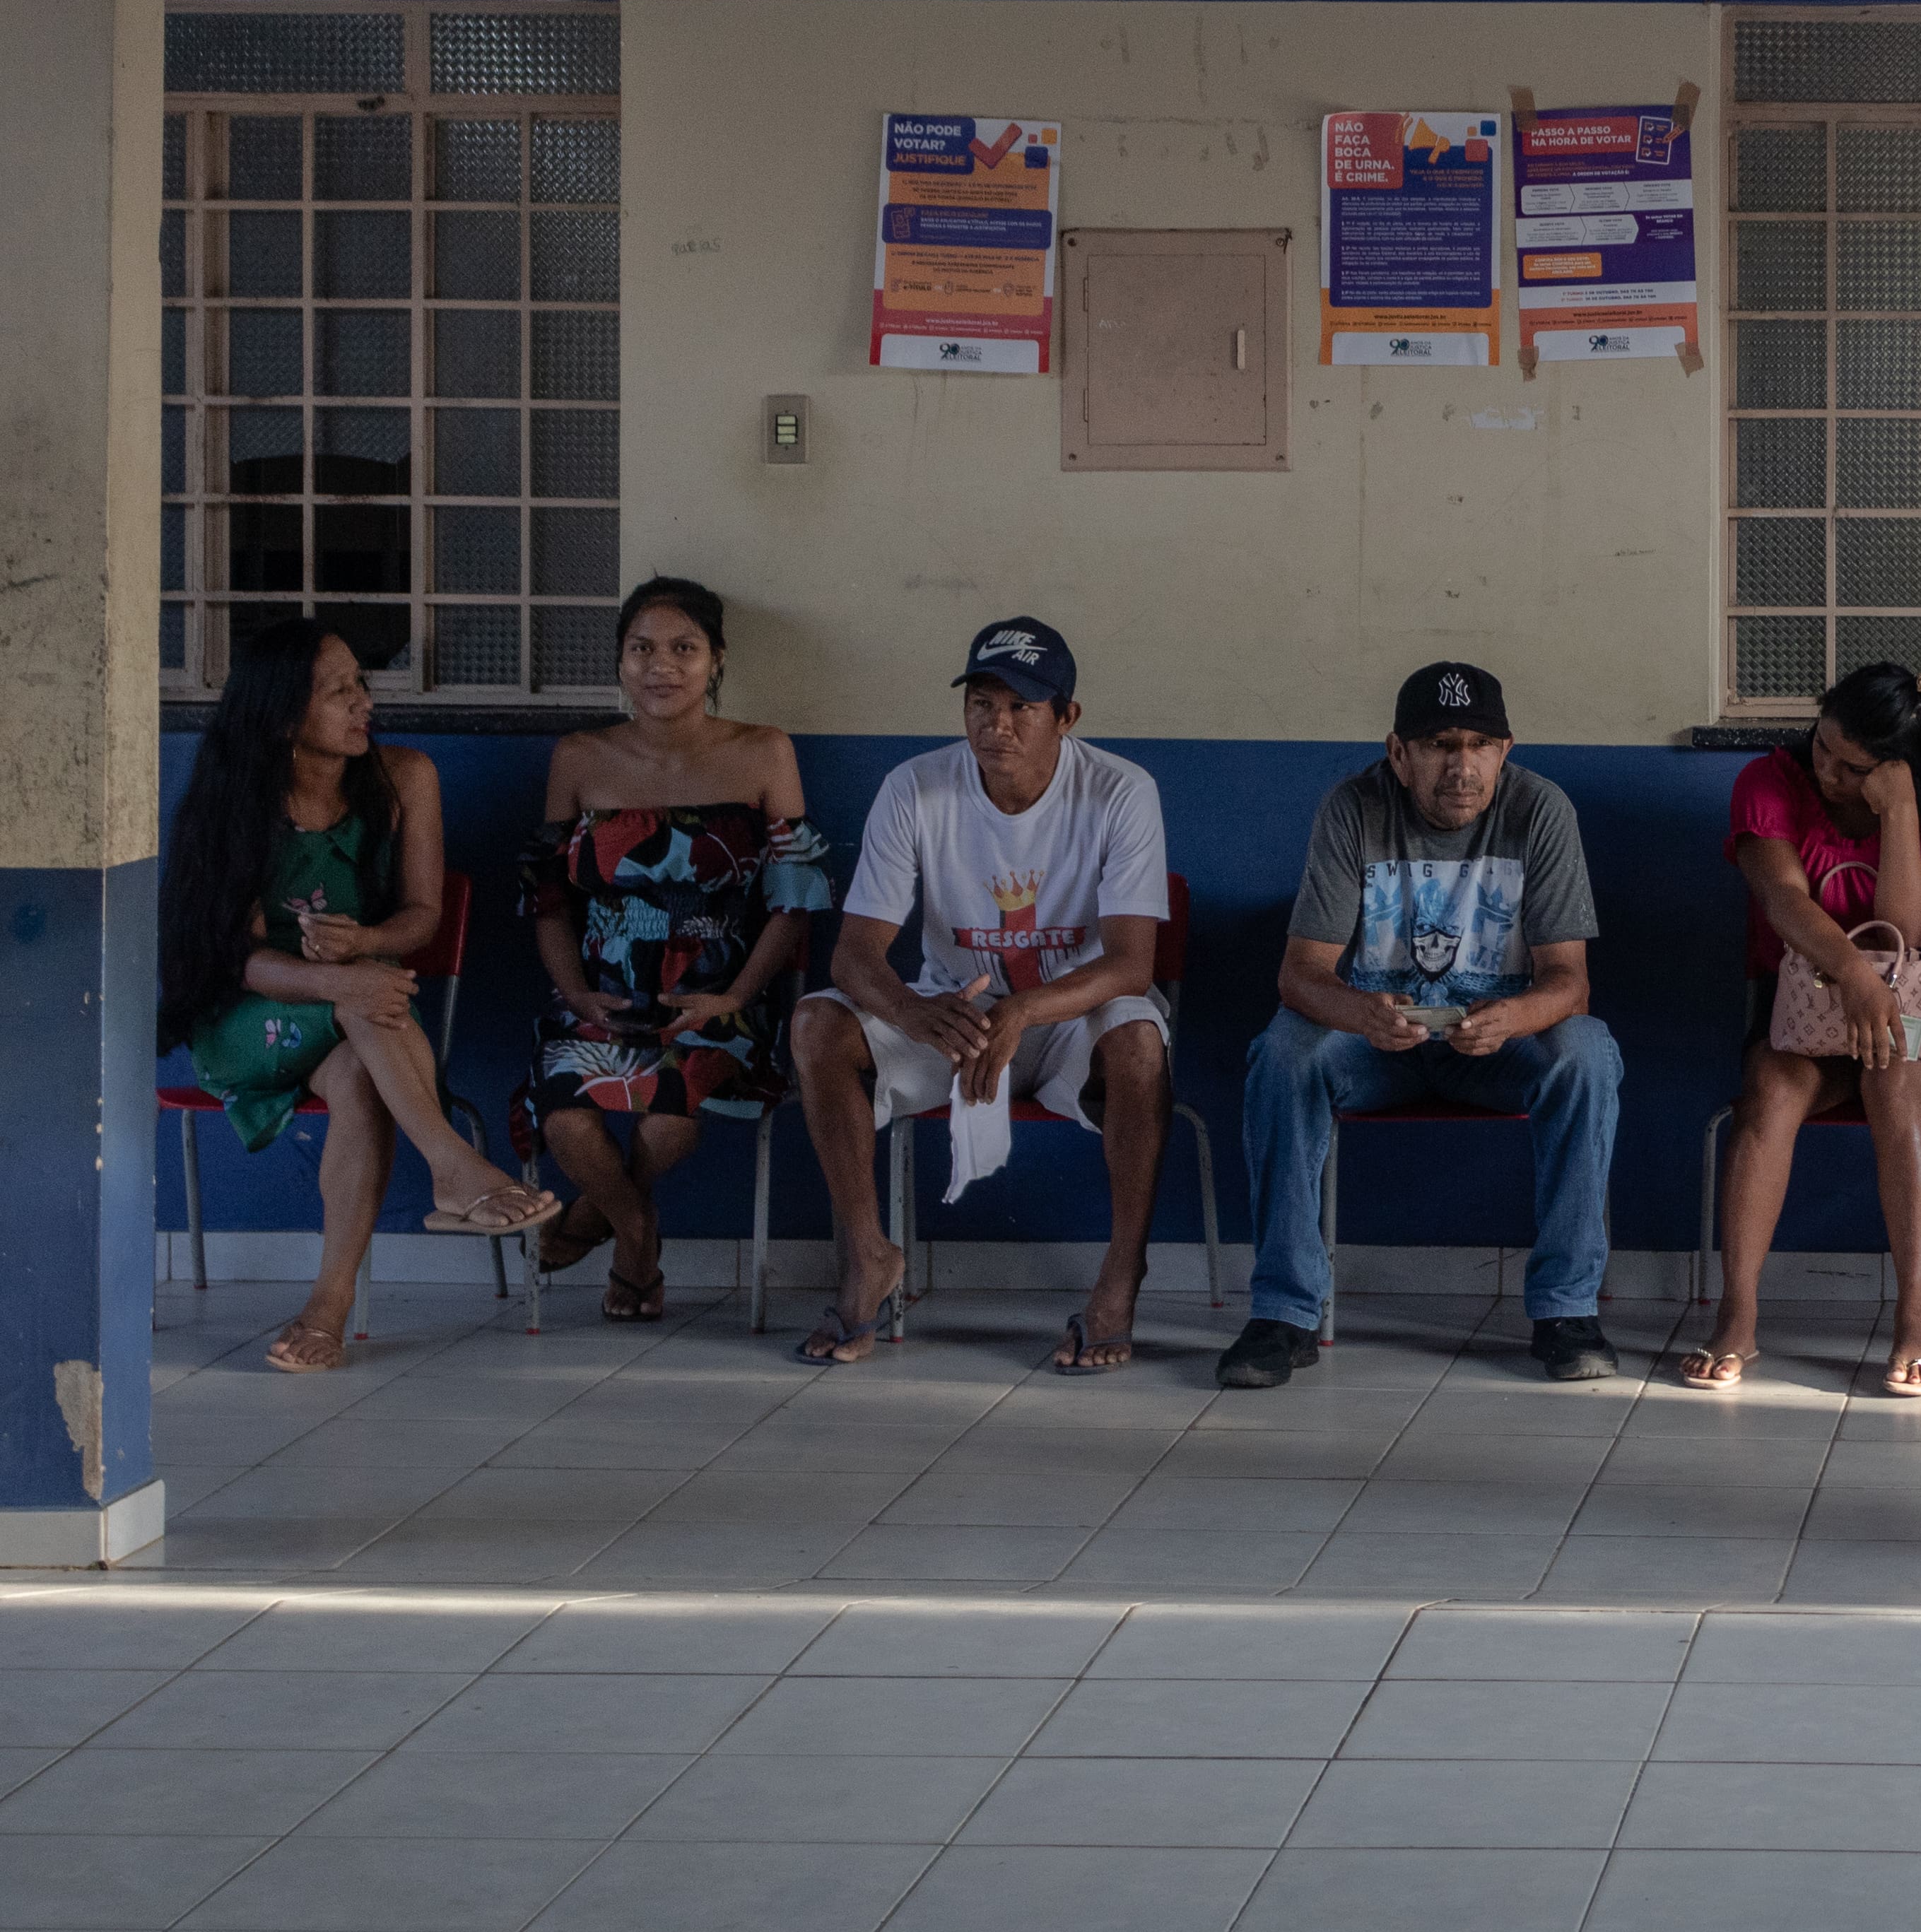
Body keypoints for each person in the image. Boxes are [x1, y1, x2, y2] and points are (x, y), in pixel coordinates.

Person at [158, 620, 558, 1372]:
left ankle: (328, 1305)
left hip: (352, 1017)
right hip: (245, 1017)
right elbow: (237, 961)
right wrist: (340, 979)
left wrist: (363, 945)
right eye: (338, 691)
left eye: (361, 683)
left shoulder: (406, 776)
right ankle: (451, 1166)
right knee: (365, 1007)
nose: (363, 703)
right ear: (282, 716)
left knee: (358, 1075)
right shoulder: (234, 802)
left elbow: (424, 916)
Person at [788, 618, 1173, 1371]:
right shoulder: (917, 786)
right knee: (814, 1024)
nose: (997, 724)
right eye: (981, 703)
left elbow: (1131, 964)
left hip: (1071, 1017)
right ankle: (869, 1255)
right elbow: (854, 954)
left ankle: (1120, 1282)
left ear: (1067, 717)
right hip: (952, 1012)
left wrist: (1023, 1008)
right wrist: (909, 1009)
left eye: (1022, 707)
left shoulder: (1121, 790)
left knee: (1139, 1039)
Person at [1222, 663, 1621, 1389]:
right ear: (1398, 753)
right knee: (1281, 1052)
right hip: (1379, 1046)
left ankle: (1567, 1310)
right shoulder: (1353, 807)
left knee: (1588, 1053)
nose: (1460, 765)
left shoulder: (1540, 809)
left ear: (1506, 750)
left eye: (1478, 744)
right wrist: (1361, 1013)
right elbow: (1300, 973)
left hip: (1494, 1047)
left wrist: (1513, 1016)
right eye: (1438, 745)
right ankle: (1284, 1312)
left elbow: (1570, 981)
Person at [519, 576, 831, 1324]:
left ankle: (600, 1218)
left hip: (718, 996)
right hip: (602, 996)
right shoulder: (579, 757)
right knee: (565, 1113)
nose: (661, 666)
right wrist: (577, 994)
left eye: (683, 649)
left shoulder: (764, 751)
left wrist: (735, 996)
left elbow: (797, 899)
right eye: (642, 649)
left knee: (670, 1118)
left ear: (715, 659)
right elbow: (547, 899)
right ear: (620, 661)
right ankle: (636, 1229)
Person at [1688, 661, 1921, 1400]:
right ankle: (1738, 1312)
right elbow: (1781, 899)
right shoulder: (1769, 782)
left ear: (1898, 767)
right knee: (1769, 1086)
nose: (1826, 769)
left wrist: (1897, 813)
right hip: (1803, 1018)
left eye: (1852, 765)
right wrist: (1856, 978)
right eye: (1821, 745)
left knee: (1893, 1078)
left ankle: (1916, 1317)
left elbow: (1912, 927)